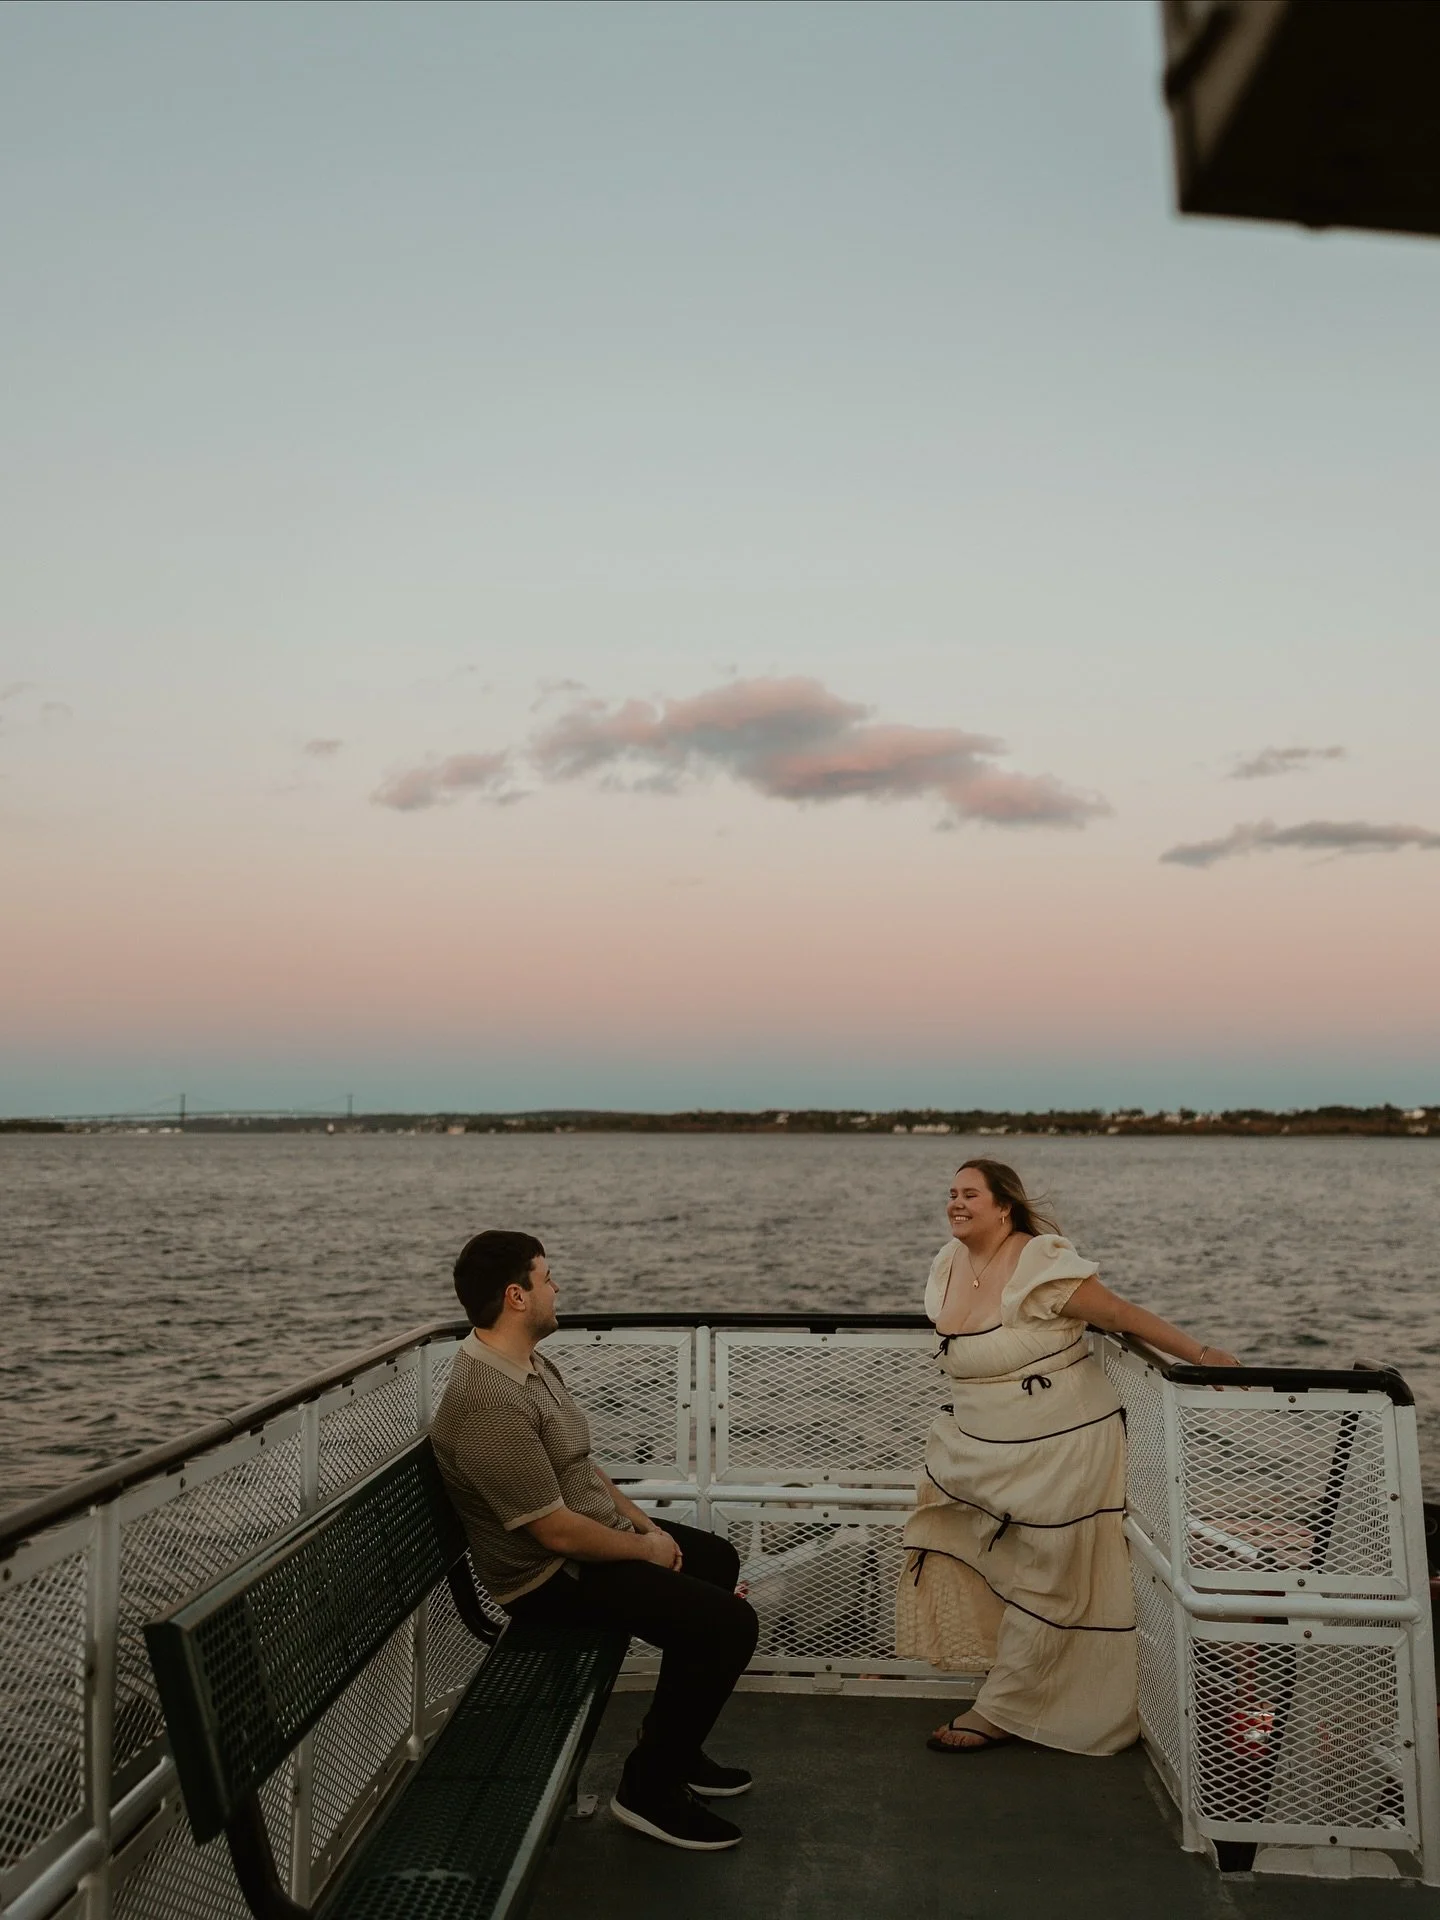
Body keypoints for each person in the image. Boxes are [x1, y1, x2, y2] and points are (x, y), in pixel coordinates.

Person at [896, 1159, 1240, 1756]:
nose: (955, 1202)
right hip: (982, 1453)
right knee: (981, 1559)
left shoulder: (1040, 1263)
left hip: (1063, 1446)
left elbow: (1121, 1316)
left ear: (1004, 1206)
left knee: (1048, 1578)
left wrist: (1202, 1354)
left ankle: (1002, 1710)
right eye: (950, 1193)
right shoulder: (949, 1262)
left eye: (970, 1194)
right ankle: (1018, 1688)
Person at [429, 1229, 759, 1851]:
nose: (557, 1289)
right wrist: (645, 1552)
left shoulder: (530, 1364)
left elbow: (581, 1467)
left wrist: (644, 1526)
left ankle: (672, 1748)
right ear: (516, 1296)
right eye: (546, 1278)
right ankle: (647, 1790)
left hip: (586, 1547)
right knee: (730, 1626)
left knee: (714, 1558)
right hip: (548, 1580)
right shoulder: (484, 1398)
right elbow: (552, 1531)